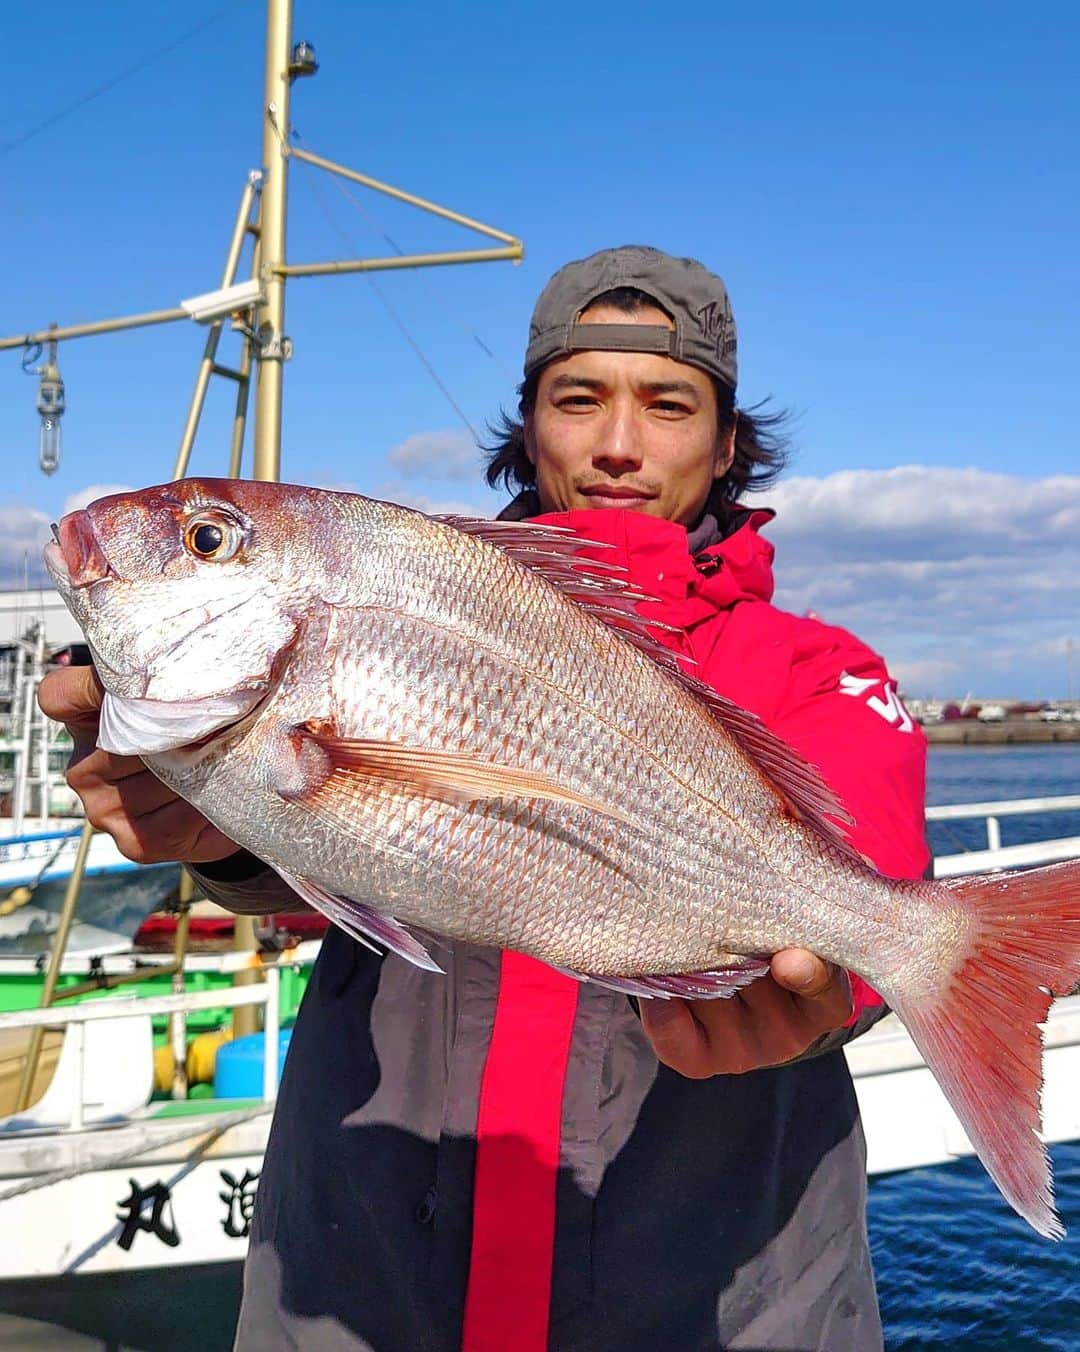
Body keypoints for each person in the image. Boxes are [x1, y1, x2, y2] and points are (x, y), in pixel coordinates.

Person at [39, 245, 929, 1351]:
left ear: (728, 439)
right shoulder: (424, 598)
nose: (617, 441)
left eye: (666, 403)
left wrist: (833, 989)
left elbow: (876, 862)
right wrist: (213, 838)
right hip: (366, 1288)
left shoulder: (816, 665)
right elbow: (336, 856)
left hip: (715, 1305)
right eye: (578, 397)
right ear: (529, 418)